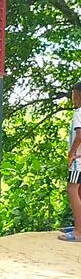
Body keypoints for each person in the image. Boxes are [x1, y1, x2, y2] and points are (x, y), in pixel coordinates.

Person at [61, 83, 81, 242]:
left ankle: (78, 231)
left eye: (74, 94)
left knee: (72, 190)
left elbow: (79, 133)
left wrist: (71, 153)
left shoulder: (78, 112)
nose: (72, 98)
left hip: (78, 161)